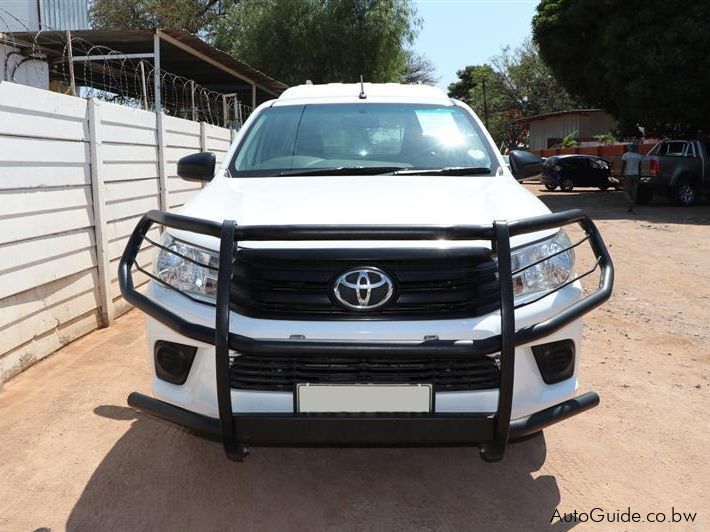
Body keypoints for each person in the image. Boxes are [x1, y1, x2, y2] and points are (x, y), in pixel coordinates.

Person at [621, 142, 643, 213]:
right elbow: (640, 167)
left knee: (626, 190)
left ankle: (630, 202)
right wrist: (640, 176)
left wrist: (621, 173)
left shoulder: (626, 155)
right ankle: (631, 208)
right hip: (636, 174)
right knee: (634, 191)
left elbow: (623, 165)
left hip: (628, 174)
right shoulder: (639, 156)